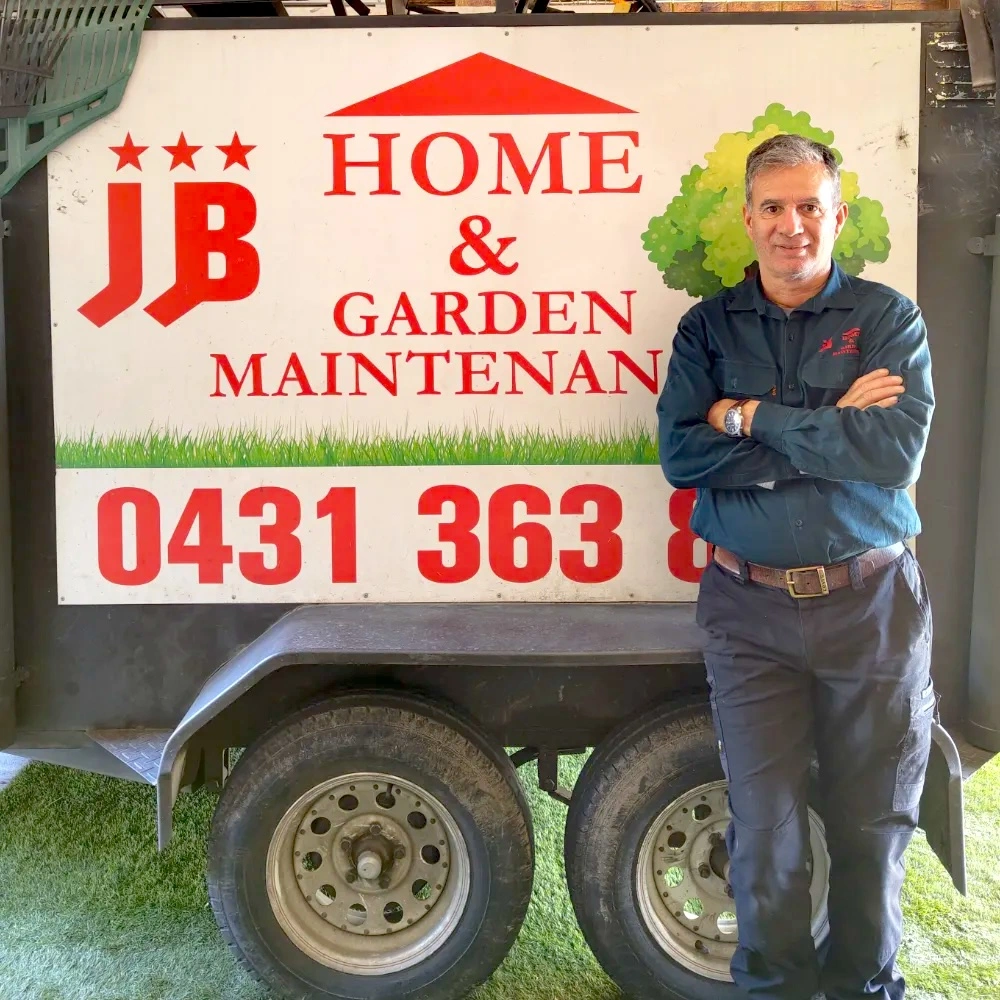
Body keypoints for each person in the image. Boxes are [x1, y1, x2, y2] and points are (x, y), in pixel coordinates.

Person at [656, 132, 936, 1000]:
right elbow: (680, 455)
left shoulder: (888, 319)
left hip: (874, 607)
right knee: (766, 836)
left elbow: (891, 453)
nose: (791, 226)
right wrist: (823, 430)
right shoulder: (706, 327)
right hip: (750, 614)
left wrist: (750, 419)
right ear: (747, 220)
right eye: (773, 208)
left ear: (837, 215)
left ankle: (865, 989)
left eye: (809, 206)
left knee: (870, 829)